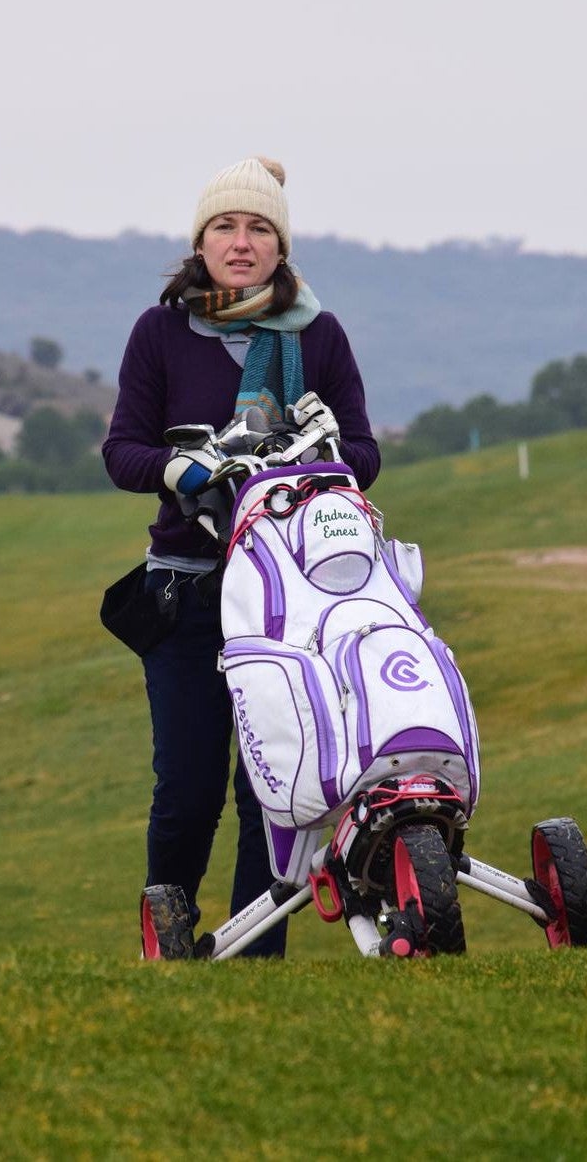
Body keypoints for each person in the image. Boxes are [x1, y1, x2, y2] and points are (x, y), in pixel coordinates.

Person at [102, 155, 380, 957]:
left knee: (274, 789)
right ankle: (169, 941)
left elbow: (363, 453)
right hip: (187, 590)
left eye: (260, 228)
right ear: (200, 242)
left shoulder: (318, 336)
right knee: (186, 792)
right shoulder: (160, 332)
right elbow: (122, 451)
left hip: (289, 595)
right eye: (226, 226)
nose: (242, 241)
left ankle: (255, 960)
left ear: (281, 247)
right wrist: (170, 466)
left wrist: (301, 460)